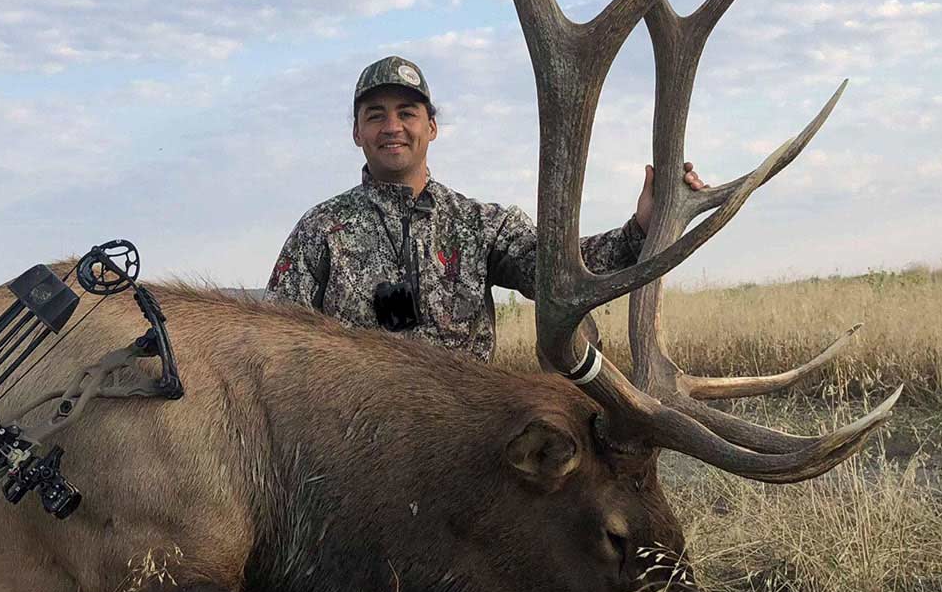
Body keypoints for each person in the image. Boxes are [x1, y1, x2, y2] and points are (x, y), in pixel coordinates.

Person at [265, 55, 705, 362]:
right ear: (357, 133)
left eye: (407, 113)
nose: (392, 126)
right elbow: (272, 344)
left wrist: (641, 229)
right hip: (355, 452)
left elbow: (562, 270)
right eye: (375, 115)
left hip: (467, 444)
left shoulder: (480, 225)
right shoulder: (321, 230)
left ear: (431, 127)